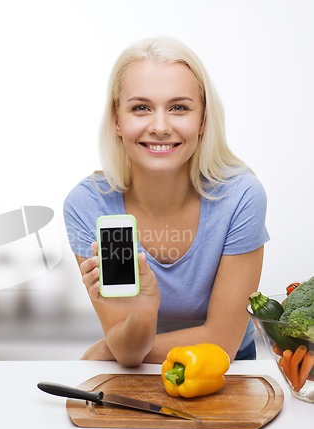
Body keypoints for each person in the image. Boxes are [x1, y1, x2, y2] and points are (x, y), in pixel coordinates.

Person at [63, 36, 269, 366]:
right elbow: (128, 350)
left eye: (179, 108)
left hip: (228, 372)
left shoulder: (240, 196)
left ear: (203, 120)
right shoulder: (88, 205)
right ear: (117, 119)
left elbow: (221, 344)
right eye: (140, 108)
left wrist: (108, 350)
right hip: (134, 372)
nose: (160, 126)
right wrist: (144, 308)